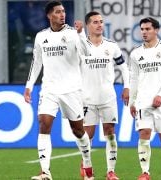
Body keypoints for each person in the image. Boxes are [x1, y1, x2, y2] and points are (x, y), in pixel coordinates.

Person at [23, 1, 94, 180]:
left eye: (63, 11)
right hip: (49, 89)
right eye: (57, 12)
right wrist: (29, 85)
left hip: (71, 89)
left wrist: (81, 33)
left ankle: (87, 164)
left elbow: (87, 53)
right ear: (49, 15)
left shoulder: (72, 33)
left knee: (78, 130)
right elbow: (36, 62)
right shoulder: (41, 37)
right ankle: (45, 172)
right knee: (44, 124)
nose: (62, 15)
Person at [79, 11, 129, 180]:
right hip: (87, 98)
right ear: (88, 25)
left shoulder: (111, 46)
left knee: (110, 132)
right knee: (87, 135)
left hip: (108, 97)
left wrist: (127, 87)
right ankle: (87, 166)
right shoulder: (80, 46)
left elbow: (123, 67)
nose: (99, 25)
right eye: (95, 22)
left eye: (101, 21)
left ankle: (111, 171)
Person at [129, 17, 161, 180]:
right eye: (142, 29)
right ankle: (145, 172)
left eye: (148, 29)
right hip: (143, 101)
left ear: (156, 30)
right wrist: (132, 101)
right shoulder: (136, 53)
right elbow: (133, 79)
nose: (144, 32)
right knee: (144, 133)